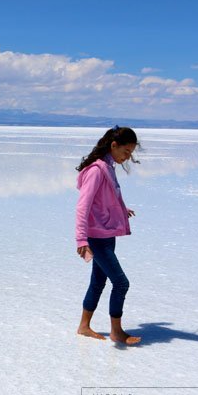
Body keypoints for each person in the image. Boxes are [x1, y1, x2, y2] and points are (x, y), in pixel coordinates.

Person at [75, 126, 141, 345]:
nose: (128, 156)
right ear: (114, 145)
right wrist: (82, 240)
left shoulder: (108, 167)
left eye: (131, 152)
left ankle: (84, 326)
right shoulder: (96, 170)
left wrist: (121, 210)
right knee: (121, 283)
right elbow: (82, 208)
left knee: (98, 281)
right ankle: (116, 331)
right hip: (96, 237)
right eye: (126, 151)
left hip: (107, 234)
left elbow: (111, 195)